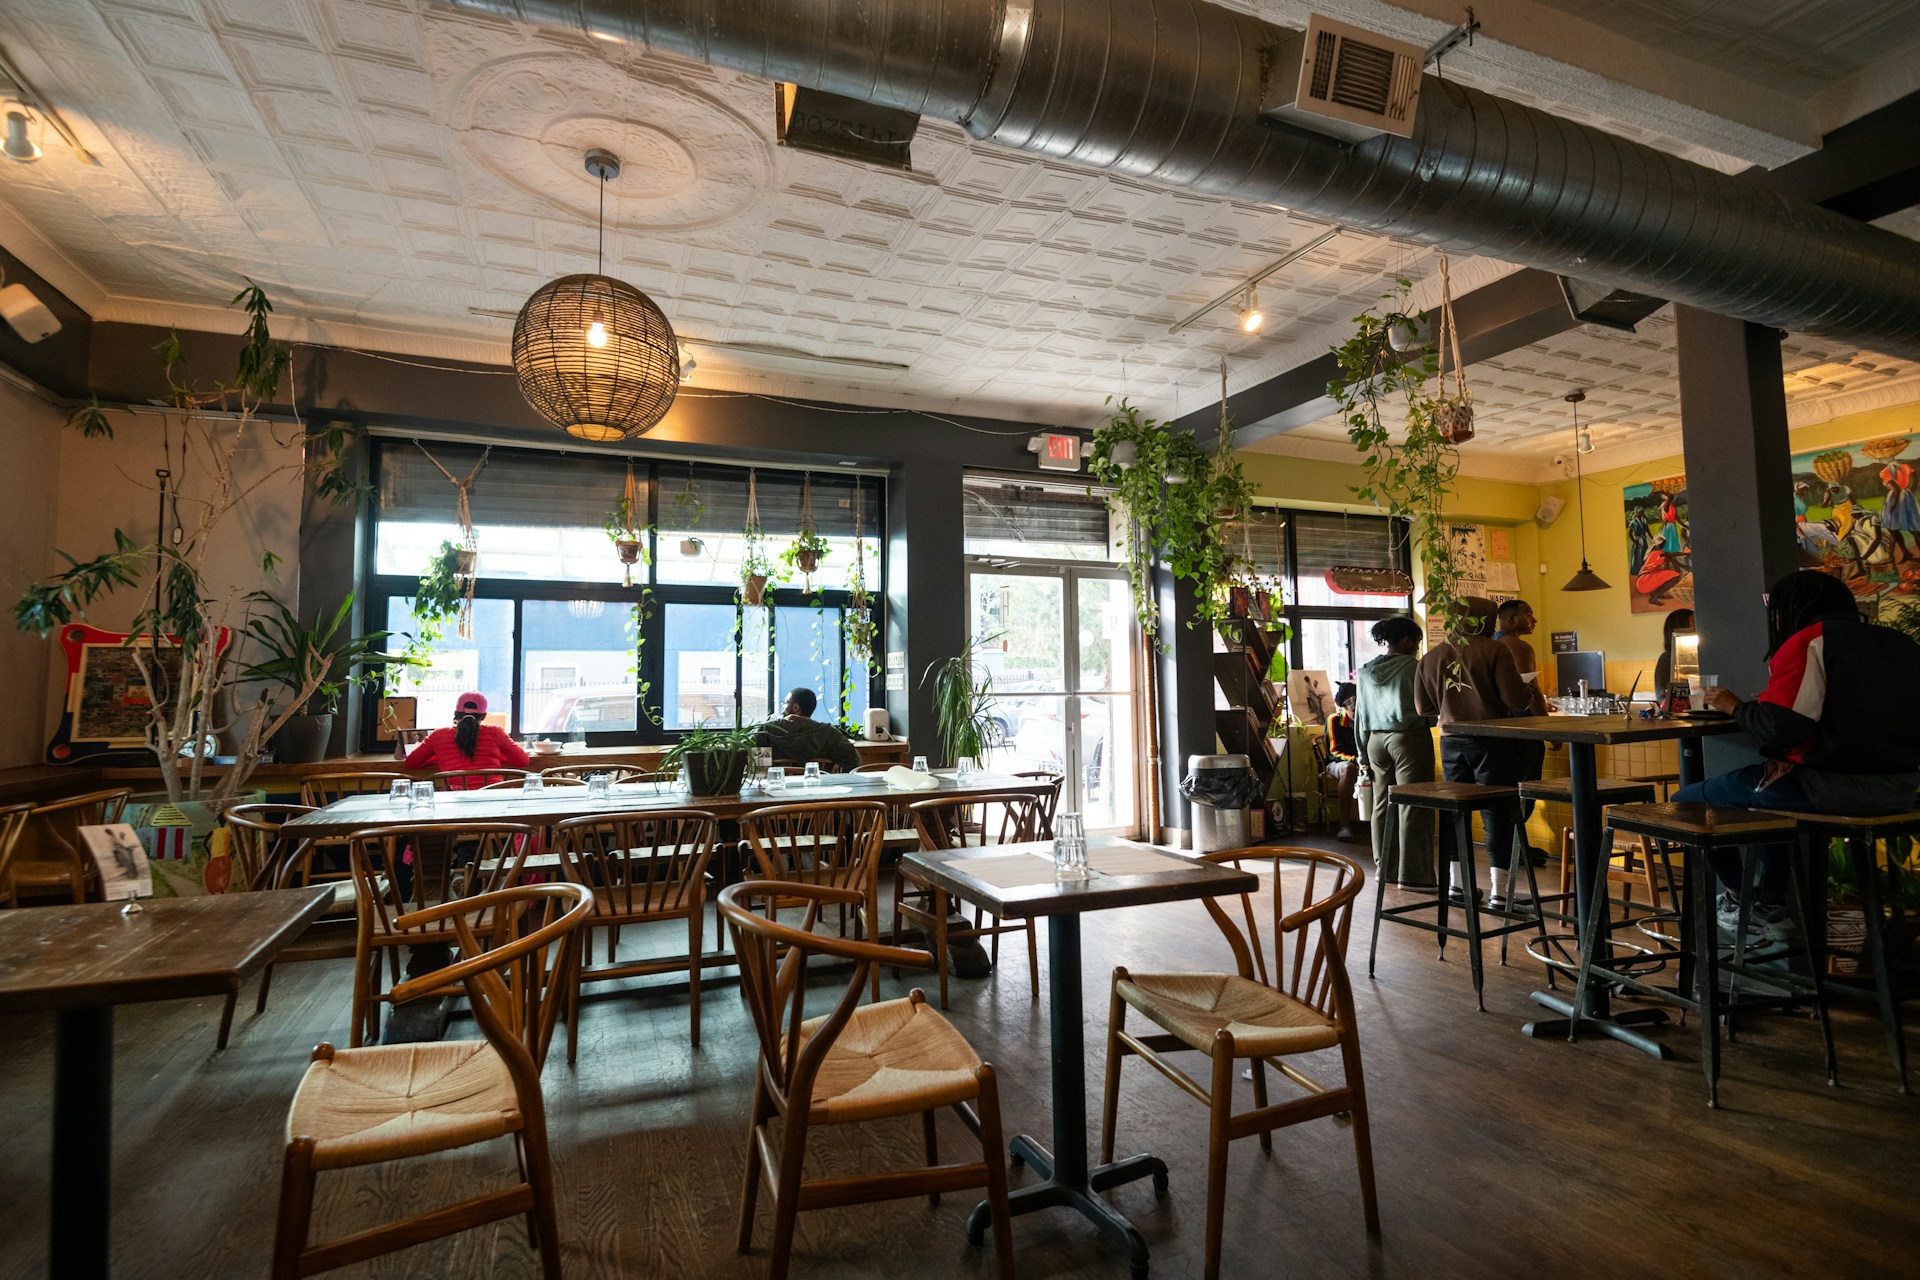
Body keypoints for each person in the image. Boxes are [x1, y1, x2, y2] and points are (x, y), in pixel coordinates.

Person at [1678, 570, 1920, 943]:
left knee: (1686, 803)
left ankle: (1741, 902)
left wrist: (1735, 707)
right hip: (1902, 791)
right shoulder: (1899, 643)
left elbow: (1783, 728)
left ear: (1792, 608)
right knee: (1771, 805)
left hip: (1831, 789)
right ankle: (1770, 905)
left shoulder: (1810, 641)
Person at [1414, 596, 1535, 910]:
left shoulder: (1431, 656)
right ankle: (1500, 892)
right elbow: (1516, 699)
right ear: (1483, 620)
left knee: (1457, 811)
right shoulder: (1495, 650)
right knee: (1497, 811)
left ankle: (1458, 886)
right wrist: (1529, 690)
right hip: (1492, 740)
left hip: (1450, 741)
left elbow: (1424, 708)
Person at [1356, 616, 1434, 886]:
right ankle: (1413, 876)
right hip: (1408, 738)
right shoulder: (1415, 668)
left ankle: (1385, 869)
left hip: (1374, 741)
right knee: (1413, 804)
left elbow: (1360, 716)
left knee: (1382, 805)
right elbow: (1429, 708)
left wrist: (1361, 754)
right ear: (1407, 641)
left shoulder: (1365, 672)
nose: (1417, 648)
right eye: (1417, 642)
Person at [1494, 599, 1551, 866]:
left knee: (1504, 789)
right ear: (1511, 620)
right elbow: (1532, 692)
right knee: (1526, 786)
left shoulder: (1488, 645)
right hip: (1523, 726)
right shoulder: (1518, 646)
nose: (1534, 620)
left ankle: (1512, 847)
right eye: (1529, 615)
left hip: (1497, 729)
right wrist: (1547, 727)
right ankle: (1518, 847)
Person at [403, 691, 530, 777]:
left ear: (455, 714)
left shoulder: (438, 736)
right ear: (484, 716)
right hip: (492, 798)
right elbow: (523, 761)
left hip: (453, 802)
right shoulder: (496, 732)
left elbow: (410, 763)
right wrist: (498, 755)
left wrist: (439, 756)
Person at [756, 687, 860, 772]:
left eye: (785, 703)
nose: (782, 707)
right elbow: (854, 759)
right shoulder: (828, 732)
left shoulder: (767, 729)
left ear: (796, 707)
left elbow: (756, 764)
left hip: (776, 789)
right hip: (819, 791)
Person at [1323, 683, 1361, 842]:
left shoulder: (1365, 719)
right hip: (1337, 763)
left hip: (1361, 762)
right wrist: (1355, 760)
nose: (1356, 712)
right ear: (1345, 707)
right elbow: (1333, 751)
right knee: (1348, 769)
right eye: (1352, 709)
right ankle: (1344, 825)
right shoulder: (1334, 720)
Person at [1651, 607, 1695, 699]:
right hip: (1676, 710)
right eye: (1692, 624)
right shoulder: (1667, 659)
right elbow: (1661, 696)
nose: (1696, 628)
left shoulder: (1703, 656)